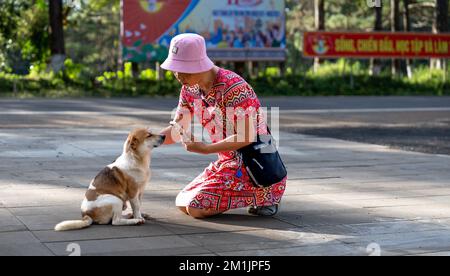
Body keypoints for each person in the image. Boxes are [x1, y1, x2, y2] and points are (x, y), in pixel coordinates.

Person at [159, 33, 287, 219]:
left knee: (196, 208)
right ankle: (250, 195)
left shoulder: (234, 88)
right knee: (182, 201)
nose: (177, 75)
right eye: (175, 69)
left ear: (199, 65)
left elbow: (246, 136)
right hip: (227, 162)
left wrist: (206, 148)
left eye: (182, 69)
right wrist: (145, 141)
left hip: (255, 165)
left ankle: (266, 195)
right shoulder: (190, 89)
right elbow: (177, 130)